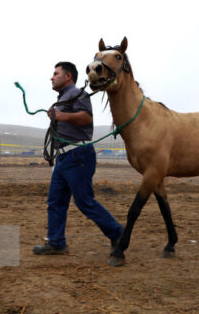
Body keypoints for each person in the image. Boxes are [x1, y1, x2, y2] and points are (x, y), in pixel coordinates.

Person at [33, 61, 123, 255]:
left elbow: (87, 117)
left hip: (77, 155)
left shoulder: (76, 93)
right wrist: (57, 116)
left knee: (84, 202)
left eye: (56, 73)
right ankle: (57, 243)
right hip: (64, 157)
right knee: (55, 201)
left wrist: (63, 116)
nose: (52, 77)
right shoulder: (64, 97)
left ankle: (118, 234)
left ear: (68, 77)